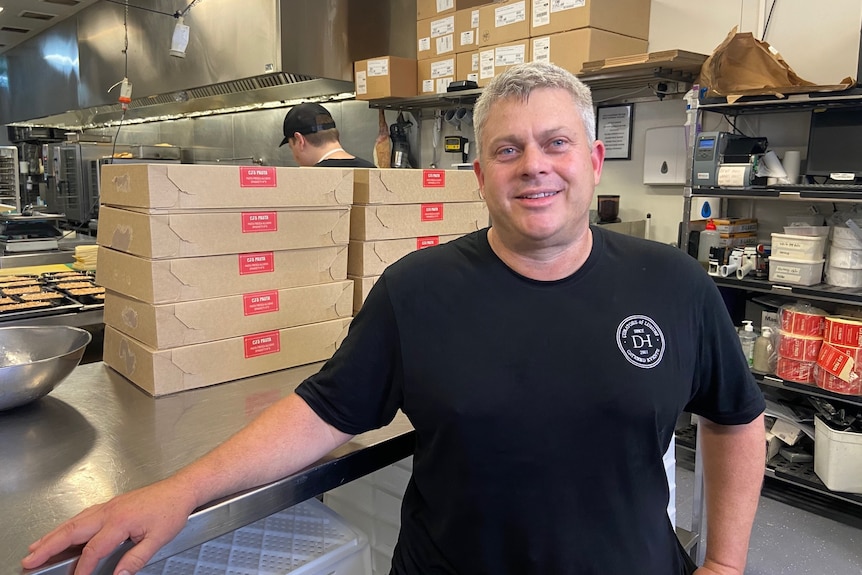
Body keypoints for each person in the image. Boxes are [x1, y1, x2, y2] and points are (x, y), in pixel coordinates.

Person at [22, 62, 765, 575]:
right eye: (507, 150)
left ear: (595, 160)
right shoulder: (419, 289)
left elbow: (735, 418)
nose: (533, 165)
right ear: (480, 175)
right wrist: (179, 488)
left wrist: (726, 560)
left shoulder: (673, 283)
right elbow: (322, 410)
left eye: (555, 143)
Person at [278, 102, 375, 167]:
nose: (294, 157)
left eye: (291, 147)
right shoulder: (373, 171)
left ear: (300, 141)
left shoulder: (308, 182)